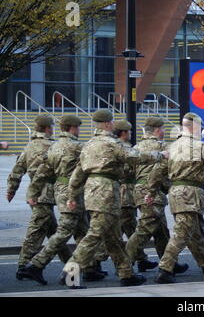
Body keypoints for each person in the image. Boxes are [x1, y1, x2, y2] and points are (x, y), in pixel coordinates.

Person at [61, 109, 166, 288]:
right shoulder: (111, 143)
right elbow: (134, 157)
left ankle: (126, 274)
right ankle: (70, 274)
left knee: (114, 238)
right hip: (107, 191)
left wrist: (72, 195)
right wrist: (159, 155)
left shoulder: (88, 145)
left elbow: (78, 173)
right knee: (94, 235)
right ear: (109, 124)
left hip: (92, 191)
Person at [146, 112, 204, 284]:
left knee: (194, 233)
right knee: (181, 233)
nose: (202, 131)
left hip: (177, 193)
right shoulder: (199, 146)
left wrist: (150, 192)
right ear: (194, 126)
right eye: (201, 127)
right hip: (190, 194)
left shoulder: (172, 147)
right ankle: (165, 269)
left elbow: (157, 172)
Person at [23, 115, 106, 285]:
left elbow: (42, 172)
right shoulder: (77, 147)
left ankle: (88, 269)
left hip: (61, 192)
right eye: (78, 127)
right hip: (73, 194)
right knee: (64, 231)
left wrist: (32, 193)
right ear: (73, 128)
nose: (79, 130)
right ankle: (36, 265)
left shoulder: (53, 147)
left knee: (83, 232)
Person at [6, 115, 71, 280]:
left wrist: (11, 190)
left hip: (34, 193)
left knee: (54, 231)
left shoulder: (28, 146)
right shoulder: (52, 146)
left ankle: (70, 266)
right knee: (37, 230)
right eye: (52, 127)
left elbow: (17, 170)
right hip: (46, 193)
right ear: (48, 128)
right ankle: (25, 266)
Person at [126, 117, 188, 275]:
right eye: (163, 129)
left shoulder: (136, 147)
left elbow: (128, 171)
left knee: (161, 231)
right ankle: (125, 263)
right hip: (153, 192)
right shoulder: (163, 147)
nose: (164, 132)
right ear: (157, 130)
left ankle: (169, 263)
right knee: (144, 229)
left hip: (139, 189)